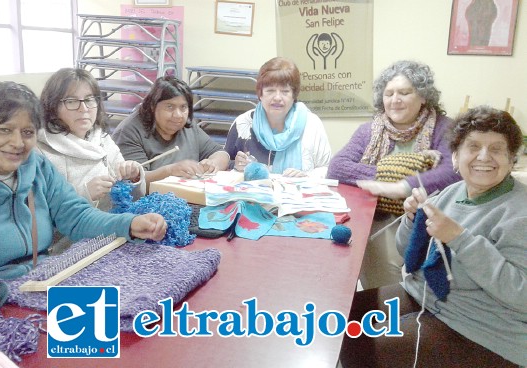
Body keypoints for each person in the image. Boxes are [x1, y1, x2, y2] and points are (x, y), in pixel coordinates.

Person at [0, 81, 167, 327]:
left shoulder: (37, 167)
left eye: (28, 132)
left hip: (37, 290)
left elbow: (76, 216)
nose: (18, 143)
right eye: (4, 130)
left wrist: (130, 224)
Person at [339, 106, 527, 367]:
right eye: (473, 147)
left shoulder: (520, 212)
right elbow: (407, 253)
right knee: (344, 317)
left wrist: (459, 238)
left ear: (511, 159)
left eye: (496, 149)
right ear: (455, 157)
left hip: (486, 328)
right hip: (428, 296)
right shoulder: (453, 192)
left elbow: (521, 294)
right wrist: (412, 219)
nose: (484, 157)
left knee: (367, 346)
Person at [327, 60, 461, 289]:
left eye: (404, 92)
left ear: (423, 96)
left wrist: (403, 186)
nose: (395, 100)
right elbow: (337, 167)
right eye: (389, 94)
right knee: (374, 274)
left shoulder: (445, 128)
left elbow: (453, 172)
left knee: (409, 277)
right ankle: (382, 314)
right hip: (378, 216)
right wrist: (389, 175)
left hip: (426, 218)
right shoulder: (369, 130)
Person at [38, 68, 144, 211]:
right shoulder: (42, 152)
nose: (84, 108)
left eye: (89, 100)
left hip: (114, 225)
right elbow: (41, 215)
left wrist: (133, 176)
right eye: (71, 101)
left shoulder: (101, 138)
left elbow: (132, 197)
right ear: (53, 106)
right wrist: (84, 194)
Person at [224, 57, 332, 178]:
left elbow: (327, 169)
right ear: (260, 94)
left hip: (297, 195)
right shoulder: (243, 122)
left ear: (294, 95)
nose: (277, 98)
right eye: (270, 91)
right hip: (253, 195)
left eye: (285, 91)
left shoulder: (312, 124)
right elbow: (225, 163)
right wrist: (236, 165)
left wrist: (307, 177)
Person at [113, 76, 229, 185]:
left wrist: (212, 164)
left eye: (183, 107)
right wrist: (170, 171)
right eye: (170, 107)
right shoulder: (129, 132)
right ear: (153, 106)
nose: (178, 115)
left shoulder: (186, 126)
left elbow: (221, 153)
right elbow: (137, 181)